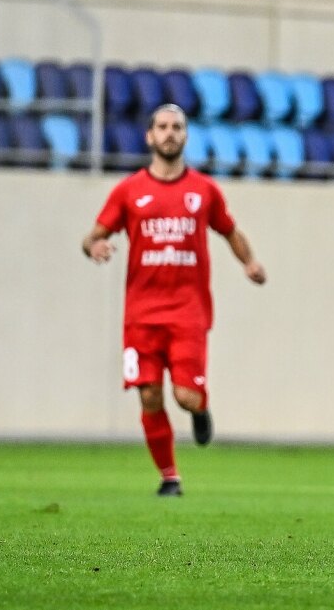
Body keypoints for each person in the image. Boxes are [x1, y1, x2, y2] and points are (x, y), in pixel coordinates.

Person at [82, 104, 266, 497]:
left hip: (188, 311)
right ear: (149, 136)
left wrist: (249, 262)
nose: (169, 133)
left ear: (185, 136)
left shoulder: (203, 191)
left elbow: (230, 231)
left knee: (185, 396)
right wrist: (95, 246)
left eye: (177, 127)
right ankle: (170, 477)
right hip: (140, 314)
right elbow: (92, 235)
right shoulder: (129, 191)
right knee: (148, 393)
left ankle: (200, 409)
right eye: (162, 127)